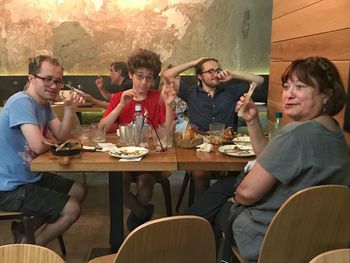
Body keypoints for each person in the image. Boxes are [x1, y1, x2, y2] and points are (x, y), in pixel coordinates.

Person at [185, 56, 350, 262]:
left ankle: (184, 237)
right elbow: (271, 160)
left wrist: (236, 199)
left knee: (218, 205)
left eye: (300, 87)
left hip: (273, 234)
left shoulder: (294, 134)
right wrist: (252, 121)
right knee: (220, 189)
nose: (288, 95)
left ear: (326, 96)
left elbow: (247, 193)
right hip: (319, 234)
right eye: (286, 86)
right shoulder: (334, 132)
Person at [0, 55, 88, 246]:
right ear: (31, 78)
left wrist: (69, 110)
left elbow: (62, 136)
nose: (54, 86)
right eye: (47, 79)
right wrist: (51, 141)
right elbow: (38, 146)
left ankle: (26, 230)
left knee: (79, 190)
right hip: (8, 186)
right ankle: (27, 251)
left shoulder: (43, 104)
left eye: (58, 81)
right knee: (71, 208)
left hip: (29, 175)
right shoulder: (21, 102)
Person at [163, 57, 264, 197]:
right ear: (199, 75)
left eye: (217, 70)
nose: (215, 74)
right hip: (200, 148)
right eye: (210, 71)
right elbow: (168, 75)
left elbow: (259, 81)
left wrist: (233, 74)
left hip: (228, 146)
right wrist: (194, 62)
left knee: (242, 171)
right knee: (199, 173)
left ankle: (225, 208)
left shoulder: (230, 91)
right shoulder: (191, 93)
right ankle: (202, 211)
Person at [99, 49, 176, 231]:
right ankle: (141, 214)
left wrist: (168, 103)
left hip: (149, 158)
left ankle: (137, 213)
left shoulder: (158, 97)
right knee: (118, 185)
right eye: (140, 76)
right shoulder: (119, 97)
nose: (144, 82)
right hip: (123, 157)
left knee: (145, 185)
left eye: (149, 78)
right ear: (131, 74)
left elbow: (166, 133)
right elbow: (102, 129)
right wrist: (120, 106)